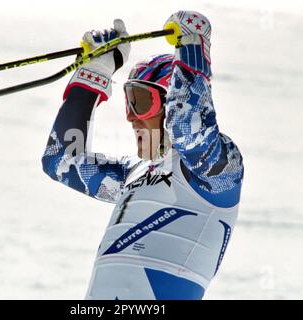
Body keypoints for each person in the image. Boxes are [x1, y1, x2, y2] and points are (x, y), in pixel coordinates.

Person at [42, 11, 244, 300]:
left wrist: (192, 46)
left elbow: (186, 127)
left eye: (140, 101)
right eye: (129, 102)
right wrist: (97, 70)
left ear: (170, 102)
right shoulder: (132, 175)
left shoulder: (216, 170)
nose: (131, 118)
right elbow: (60, 160)